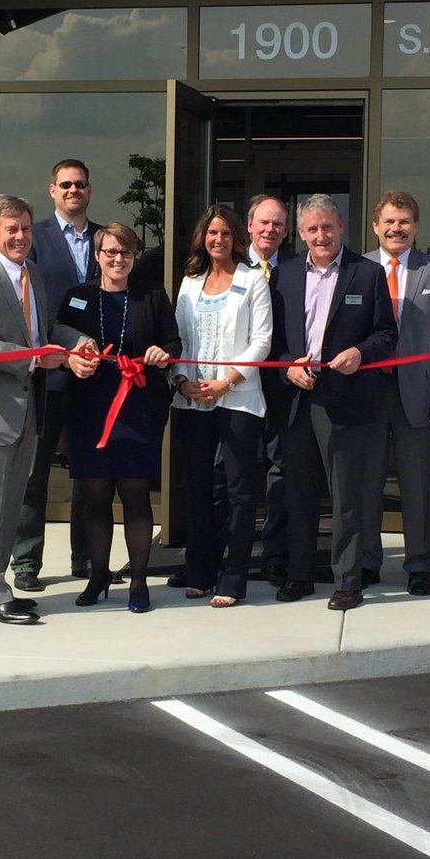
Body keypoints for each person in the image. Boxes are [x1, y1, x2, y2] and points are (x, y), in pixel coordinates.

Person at [0, 194, 87, 625]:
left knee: (10, 507)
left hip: (29, 406)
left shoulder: (34, 274)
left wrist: (74, 340)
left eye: (26, 228)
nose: (20, 237)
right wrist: (34, 359)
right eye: (11, 229)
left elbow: (45, 328)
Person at [267, 194, 397, 610]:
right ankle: (300, 574)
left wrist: (361, 353)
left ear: (341, 226)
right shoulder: (283, 274)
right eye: (312, 229)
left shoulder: (368, 273)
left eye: (327, 227)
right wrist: (287, 366)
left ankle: (347, 581)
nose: (320, 236)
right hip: (297, 396)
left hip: (344, 398)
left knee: (346, 496)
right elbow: (272, 342)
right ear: (301, 233)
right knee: (299, 492)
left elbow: (386, 336)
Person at [56, 222, 180, 613]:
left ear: (133, 257)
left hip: (137, 407)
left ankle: (139, 582)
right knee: (94, 497)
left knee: (135, 494)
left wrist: (163, 352)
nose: (118, 259)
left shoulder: (152, 296)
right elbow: (58, 332)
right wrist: (75, 350)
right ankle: (98, 576)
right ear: (97, 256)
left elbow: (174, 341)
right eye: (110, 252)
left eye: (125, 252)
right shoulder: (78, 296)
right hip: (89, 408)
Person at [171, 204, 272, 608]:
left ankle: (233, 578)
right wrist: (181, 380)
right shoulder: (190, 281)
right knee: (197, 489)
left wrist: (226, 382)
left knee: (239, 492)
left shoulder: (253, 280)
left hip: (238, 400)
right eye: (212, 233)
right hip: (193, 399)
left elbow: (261, 341)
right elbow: (177, 338)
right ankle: (200, 570)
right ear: (203, 237)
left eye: (226, 234)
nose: (218, 240)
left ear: (237, 238)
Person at [361, 191, 430, 595]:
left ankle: (420, 562)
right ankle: (367, 561)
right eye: (389, 221)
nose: (396, 228)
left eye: (404, 221)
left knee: (418, 482)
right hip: (367, 391)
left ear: (416, 227)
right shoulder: (359, 268)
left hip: (420, 393)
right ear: (375, 226)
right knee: (365, 481)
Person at [10, 159, 101, 591]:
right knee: (35, 471)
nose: (73, 190)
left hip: (97, 374)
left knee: (89, 470)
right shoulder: (35, 239)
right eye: (65, 184)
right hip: (48, 374)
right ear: (52, 190)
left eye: (80, 184)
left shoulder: (106, 239)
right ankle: (26, 561)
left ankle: (86, 558)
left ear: (89, 189)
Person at [247, 194, 295, 586]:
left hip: (280, 390)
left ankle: (274, 555)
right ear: (250, 226)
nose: (270, 230)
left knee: (280, 474)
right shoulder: (225, 267)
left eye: (278, 224)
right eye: (264, 222)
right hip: (234, 388)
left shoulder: (296, 270)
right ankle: (229, 553)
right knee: (231, 474)